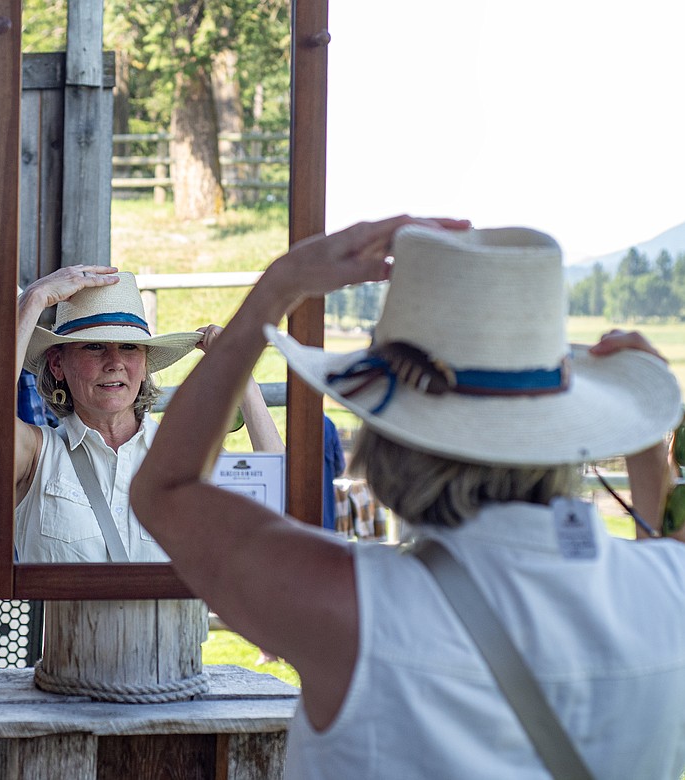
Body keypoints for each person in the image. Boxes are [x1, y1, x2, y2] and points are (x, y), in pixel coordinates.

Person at [131, 217, 685, 778]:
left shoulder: (349, 606)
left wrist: (278, 288)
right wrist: (650, 458)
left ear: (388, 437)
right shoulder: (669, 589)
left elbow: (166, 488)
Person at [15, 266, 282, 562]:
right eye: (94, 347)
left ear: (144, 366)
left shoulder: (186, 457)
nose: (115, 362)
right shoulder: (37, 455)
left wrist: (240, 367)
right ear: (57, 365)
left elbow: (278, 503)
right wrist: (34, 299)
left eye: (129, 347)